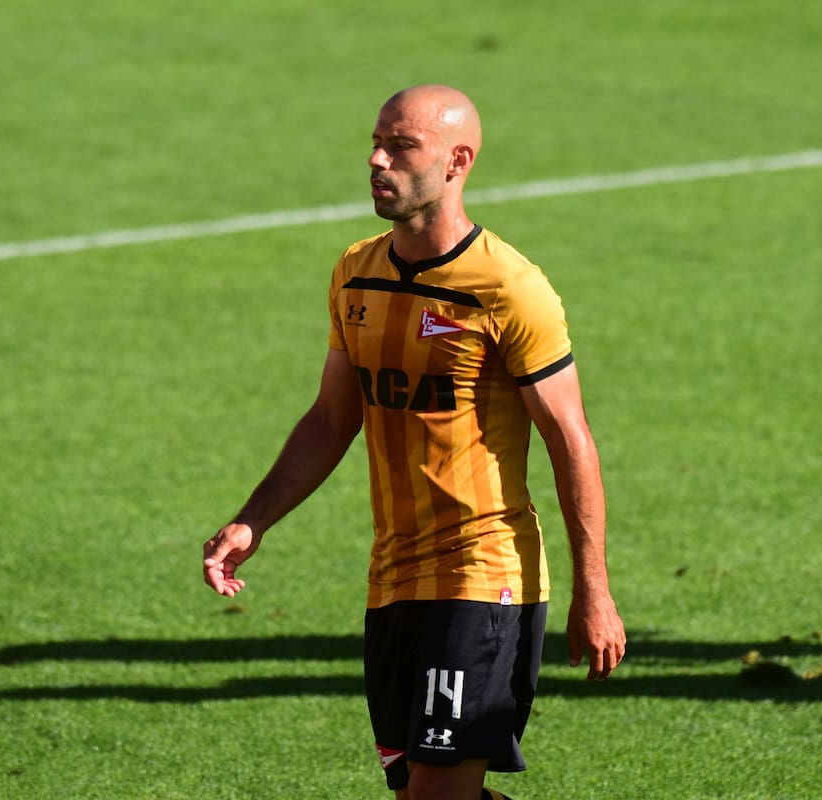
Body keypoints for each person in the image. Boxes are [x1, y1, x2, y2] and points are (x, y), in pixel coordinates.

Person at [202, 85, 626, 800]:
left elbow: (570, 439)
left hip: (483, 577)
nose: (376, 159)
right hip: (393, 578)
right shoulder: (356, 271)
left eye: (401, 147)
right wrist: (254, 518)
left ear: (458, 161)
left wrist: (596, 588)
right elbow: (334, 416)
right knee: (415, 793)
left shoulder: (509, 289)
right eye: (375, 141)